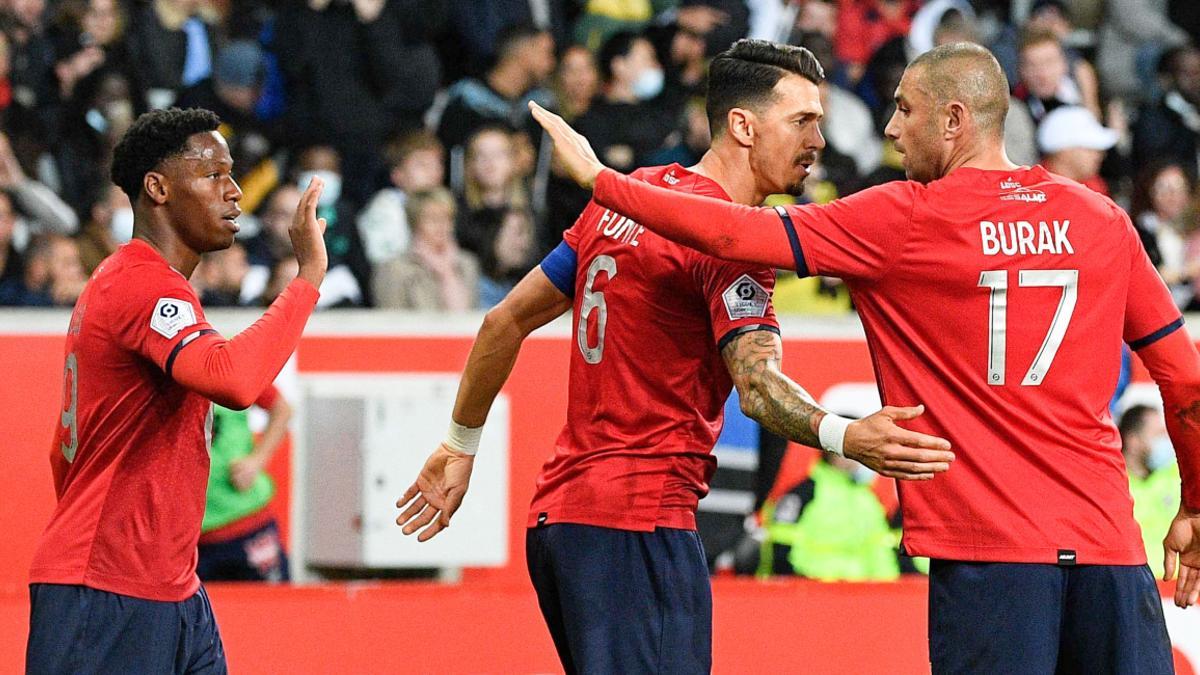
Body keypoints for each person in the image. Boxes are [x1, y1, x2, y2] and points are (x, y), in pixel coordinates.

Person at [532, 40, 1200, 672]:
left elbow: (735, 231)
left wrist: (602, 181)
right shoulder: (1102, 220)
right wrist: (1195, 503)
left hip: (992, 560)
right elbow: (1187, 383)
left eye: (906, 108)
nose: (890, 127)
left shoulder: (905, 217)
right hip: (1113, 554)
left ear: (954, 120)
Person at [397, 40, 952, 673]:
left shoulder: (631, 198)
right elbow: (758, 385)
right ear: (743, 126)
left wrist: (460, 444)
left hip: (563, 522)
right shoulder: (733, 241)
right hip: (639, 522)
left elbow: (504, 321)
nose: (819, 140)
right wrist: (846, 435)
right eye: (803, 120)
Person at [25, 107, 328, 674]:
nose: (235, 191)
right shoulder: (141, 283)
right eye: (213, 174)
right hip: (109, 590)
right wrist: (307, 277)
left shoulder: (140, 284)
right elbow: (235, 380)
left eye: (233, 174)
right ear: (158, 188)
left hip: (168, 587)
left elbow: (62, 455)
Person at [198, 385, 292, 582]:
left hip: (247, 522)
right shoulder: (164, 368)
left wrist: (257, 461)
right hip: (186, 536)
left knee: (271, 608)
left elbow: (281, 409)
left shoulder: (227, 366)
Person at [1121, 404, 1181, 575]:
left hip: (1180, 590)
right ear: (1133, 441)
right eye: (1158, 435)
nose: (1166, 443)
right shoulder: (1115, 488)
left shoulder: (1176, 476)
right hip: (1139, 585)